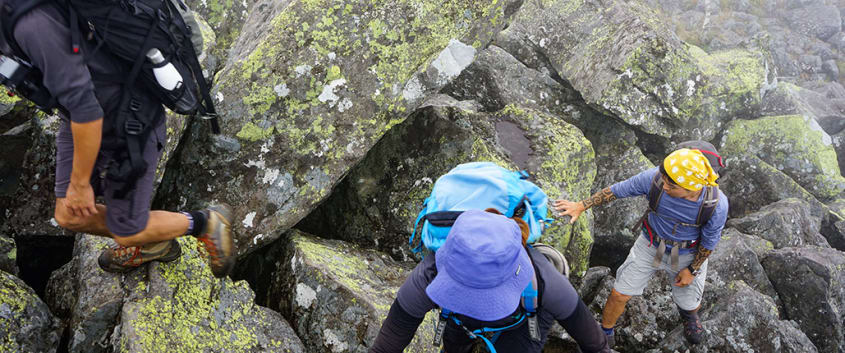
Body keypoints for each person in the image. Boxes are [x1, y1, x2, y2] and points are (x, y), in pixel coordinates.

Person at [0, 0, 236, 277]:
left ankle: (206, 223)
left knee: (127, 230)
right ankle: (154, 242)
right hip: (84, 114)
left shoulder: (33, 24)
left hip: (129, 121)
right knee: (68, 215)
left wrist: (79, 184)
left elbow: (86, 111)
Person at [554, 147, 729, 346]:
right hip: (651, 245)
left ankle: (689, 315)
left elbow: (709, 242)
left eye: (671, 185)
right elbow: (617, 190)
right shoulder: (655, 179)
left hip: (687, 253)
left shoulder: (715, 204)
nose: (663, 186)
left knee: (688, 300)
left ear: (692, 188)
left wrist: (692, 269)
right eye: (663, 178)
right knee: (619, 293)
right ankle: (605, 333)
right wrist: (581, 205)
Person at [369, 209, 611, 353]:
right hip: (463, 319)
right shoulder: (428, 276)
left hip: (526, 317)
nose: (478, 304)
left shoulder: (547, 283)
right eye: (464, 292)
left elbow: (596, 345)